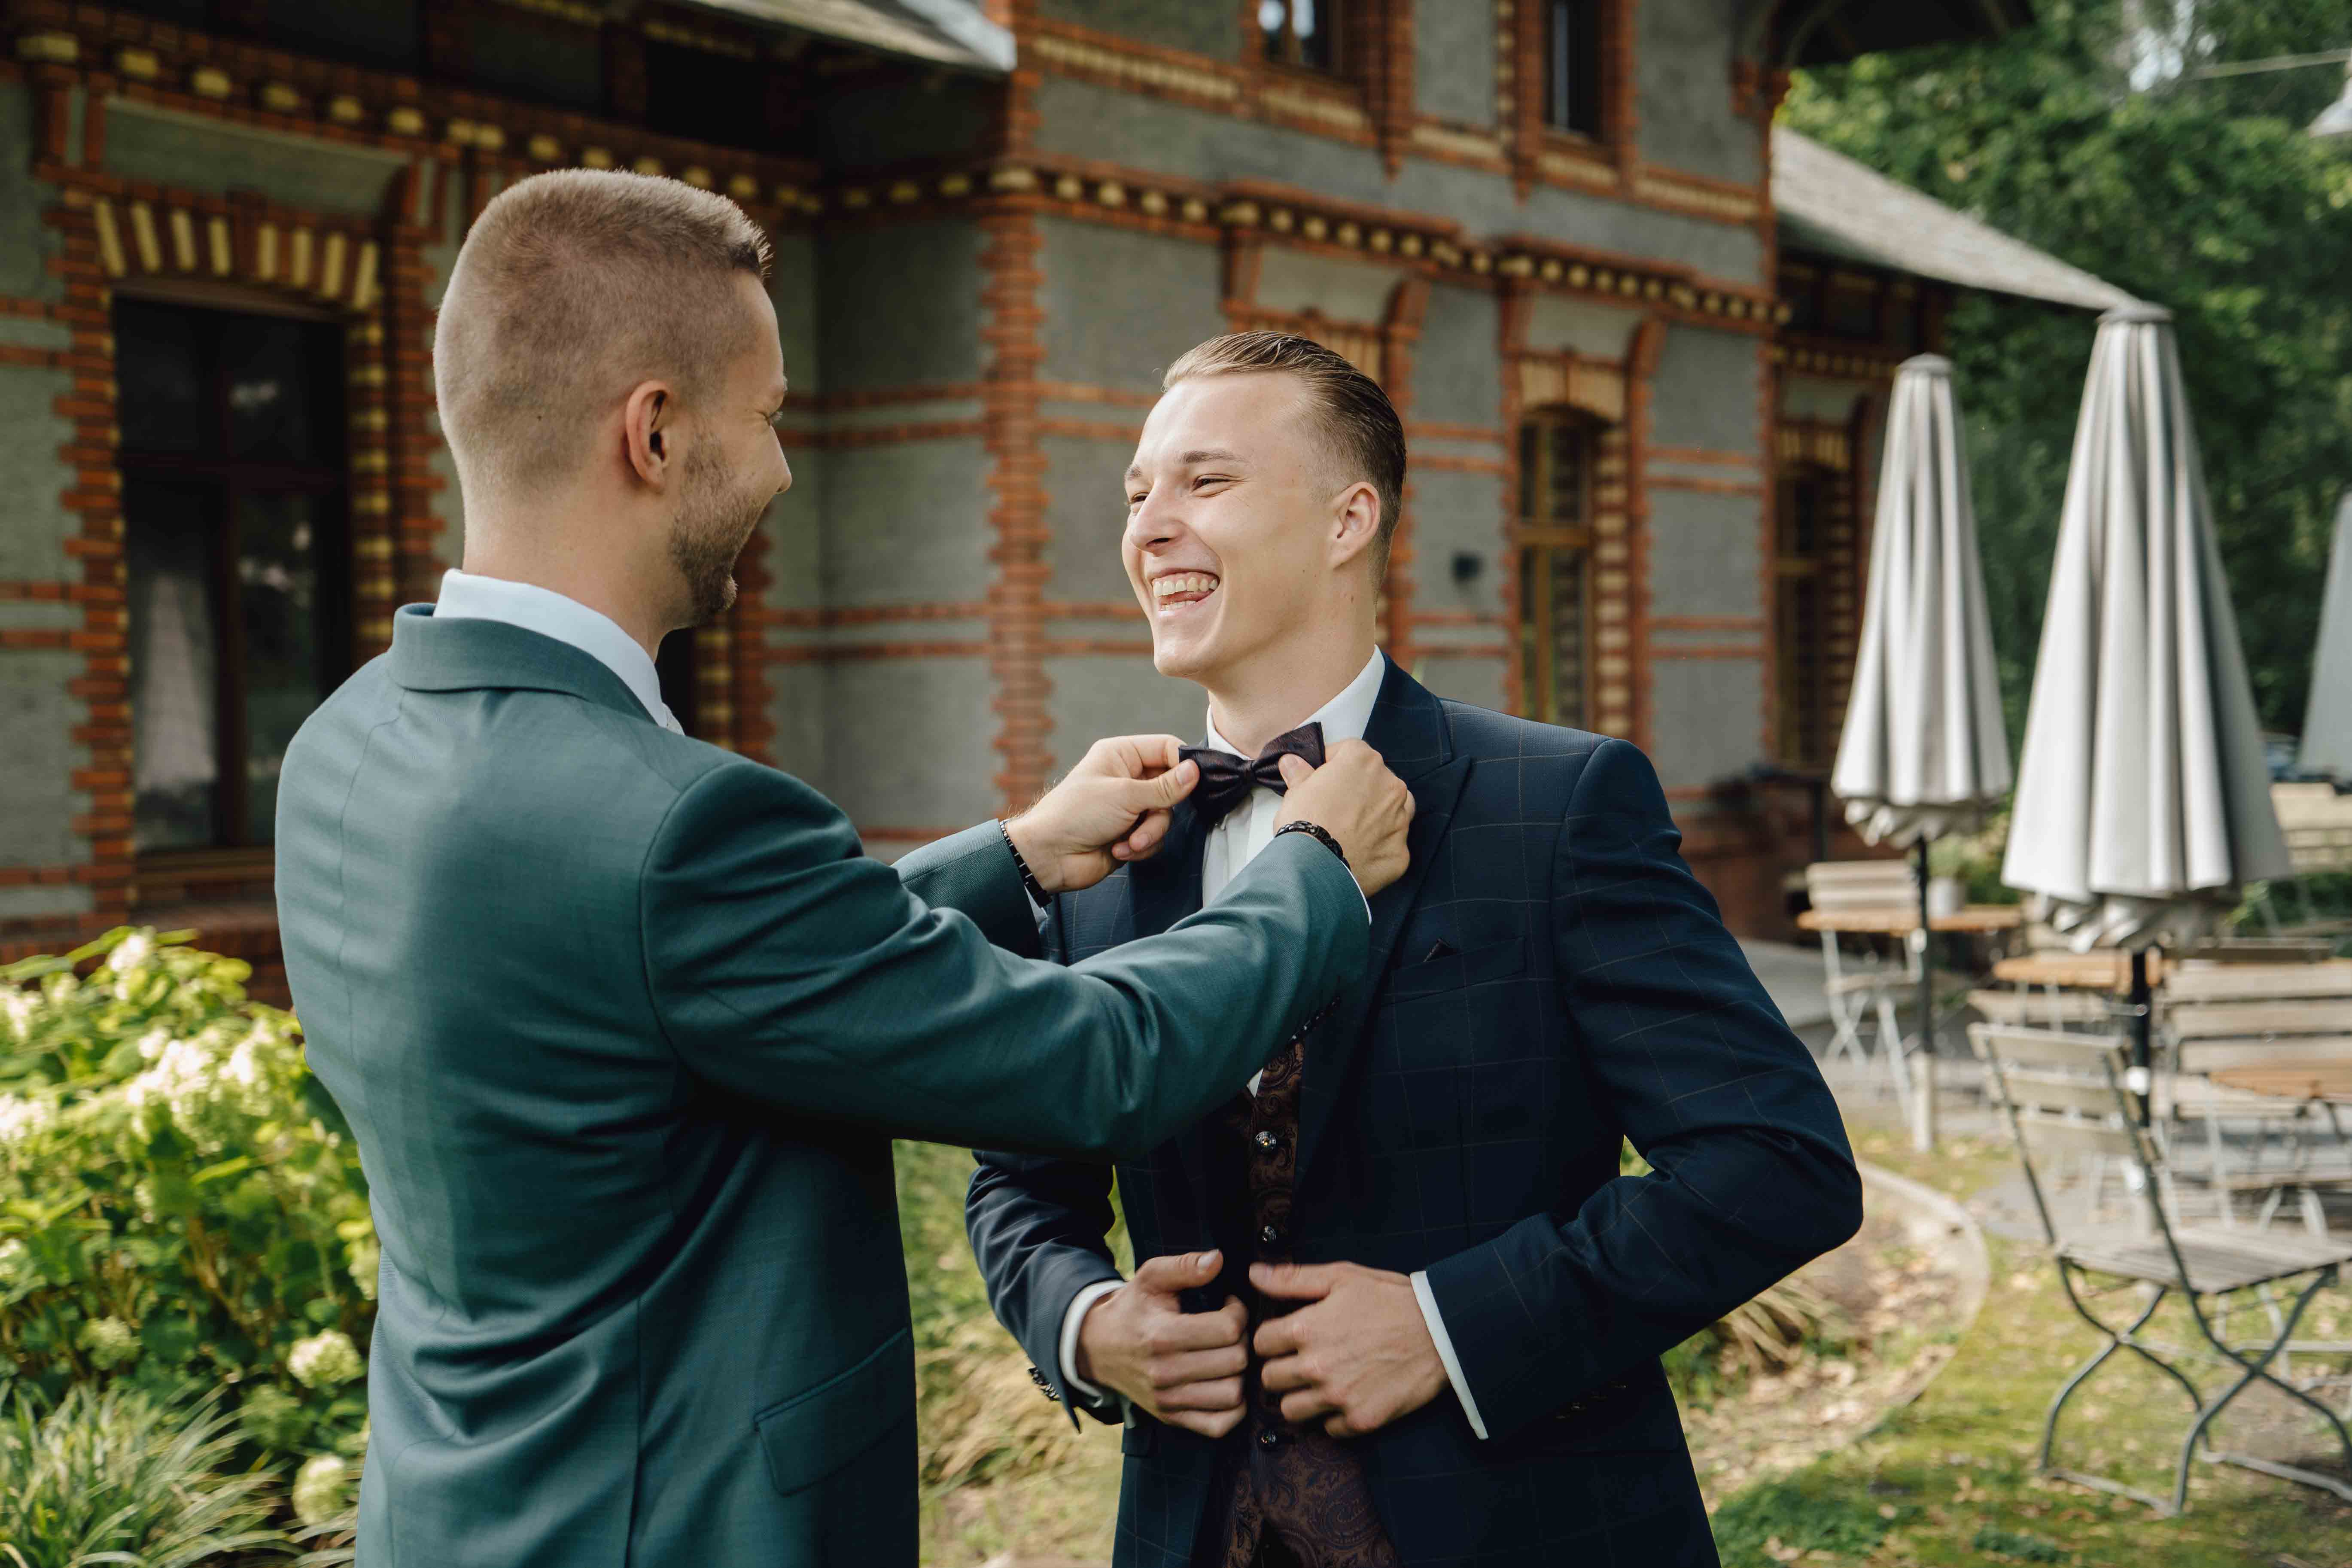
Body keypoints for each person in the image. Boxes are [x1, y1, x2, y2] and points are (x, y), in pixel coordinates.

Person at [271, 175, 1415, 1568]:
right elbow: (1095, 1060)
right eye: (766, 417)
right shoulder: (673, 822)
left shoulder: (348, 744)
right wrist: (1312, 865)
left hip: (457, 1518)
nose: (782, 468)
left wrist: (1014, 855)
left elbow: (651, 975)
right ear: (653, 432)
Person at [965, 332, 1864, 1568]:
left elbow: (1777, 1162)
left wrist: (1448, 1326)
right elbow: (1020, 1178)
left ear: (1349, 520)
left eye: (1204, 483)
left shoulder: (1559, 803)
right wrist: (1086, 1321)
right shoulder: (1100, 841)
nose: (1149, 526)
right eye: (1137, 494)